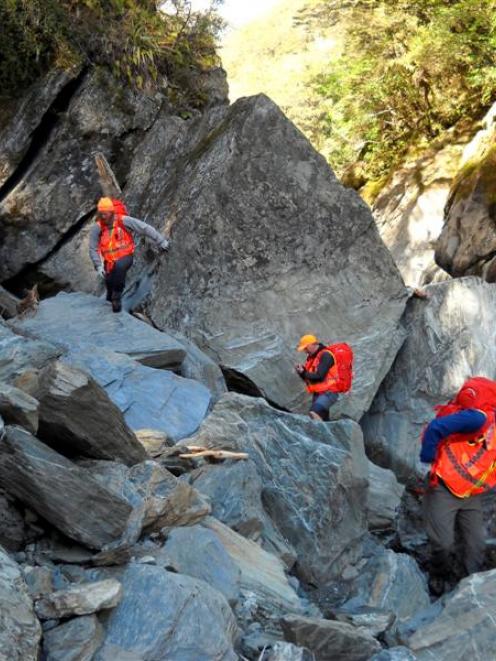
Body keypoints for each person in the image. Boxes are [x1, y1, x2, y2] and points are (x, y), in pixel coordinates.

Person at [420, 377, 496, 593]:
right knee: (443, 544)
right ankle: (438, 577)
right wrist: (427, 462)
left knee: (476, 547)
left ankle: (465, 590)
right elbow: (436, 428)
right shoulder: (478, 420)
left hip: (471, 494)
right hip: (443, 485)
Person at [89, 197, 169, 312]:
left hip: (125, 257)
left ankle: (117, 298)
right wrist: (98, 265)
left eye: (105, 213)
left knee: (119, 267)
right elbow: (92, 248)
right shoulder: (97, 228)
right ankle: (109, 303)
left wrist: (161, 241)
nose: (103, 217)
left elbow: (144, 228)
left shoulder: (123, 220)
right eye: (101, 213)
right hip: (108, 263)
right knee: (110, 282)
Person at [295, 334, 353, 421]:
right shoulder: (313, 359)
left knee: (314, 413)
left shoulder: (326, 355)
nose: (305, 351)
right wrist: (302, 373)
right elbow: (311, 379)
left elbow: (319, 376)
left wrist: (304, 372)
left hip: (329, 393)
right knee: (324, 421)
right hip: (318, 394)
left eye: (306, 348)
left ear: (312, 344)